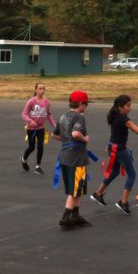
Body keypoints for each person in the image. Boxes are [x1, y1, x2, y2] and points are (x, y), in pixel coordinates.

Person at [90, 94, 138, 215]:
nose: (130, 108)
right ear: (120, 107)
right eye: (128, 106)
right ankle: (123, 201)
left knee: (114, 172)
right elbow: (137, 131)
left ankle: (98, 193)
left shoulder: (115, 115)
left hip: (112, 147)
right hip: (119, 150)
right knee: (132, 174)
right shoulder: (123, 119)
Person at [54, 90, 92, 229]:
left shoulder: (63, 116)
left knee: (77, 187)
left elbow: (55, 134)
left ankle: (75, 215)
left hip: (65, 156)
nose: (86, 107)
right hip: (76, 158)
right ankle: (66, 216)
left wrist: (67, 141)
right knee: (76, 189)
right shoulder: (79, 117)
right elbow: (76, 133)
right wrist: (85, 139)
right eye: (86, 104)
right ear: (81, 104)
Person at [20, 82, 56, 175]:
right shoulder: (31, 101)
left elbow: (48, 115)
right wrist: (30, 121)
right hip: (31, 129)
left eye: (43, 89)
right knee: (31, 147)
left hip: (41, 128)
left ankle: (37, 166)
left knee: (40, 146)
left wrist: (55, 126)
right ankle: (23, 159)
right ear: (35, 90)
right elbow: (24, 114)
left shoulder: (47, 102)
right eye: (40, 88)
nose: (42, 90)